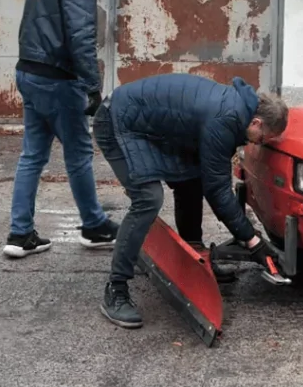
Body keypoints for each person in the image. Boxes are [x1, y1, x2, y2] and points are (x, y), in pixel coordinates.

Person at [91, 72, 290, 330]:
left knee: (191, 178)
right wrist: (253, 241)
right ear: (256, 122)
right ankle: (115, 290)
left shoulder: (237, 106)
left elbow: (209, 178)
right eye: (262, 139)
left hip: (145, 125)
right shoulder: (226, 119)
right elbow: (218, 191)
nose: (258, 145)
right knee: (148, 199)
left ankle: (194, 258)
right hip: (117, 122)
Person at [3, 0, 123, 259]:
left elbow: (32, 25)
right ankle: (94, 226)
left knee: (32, 155)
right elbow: (81, 35)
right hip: (58, 79)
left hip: (29, 71)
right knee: (79, 154)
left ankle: (20, 233)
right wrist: (92, 86)